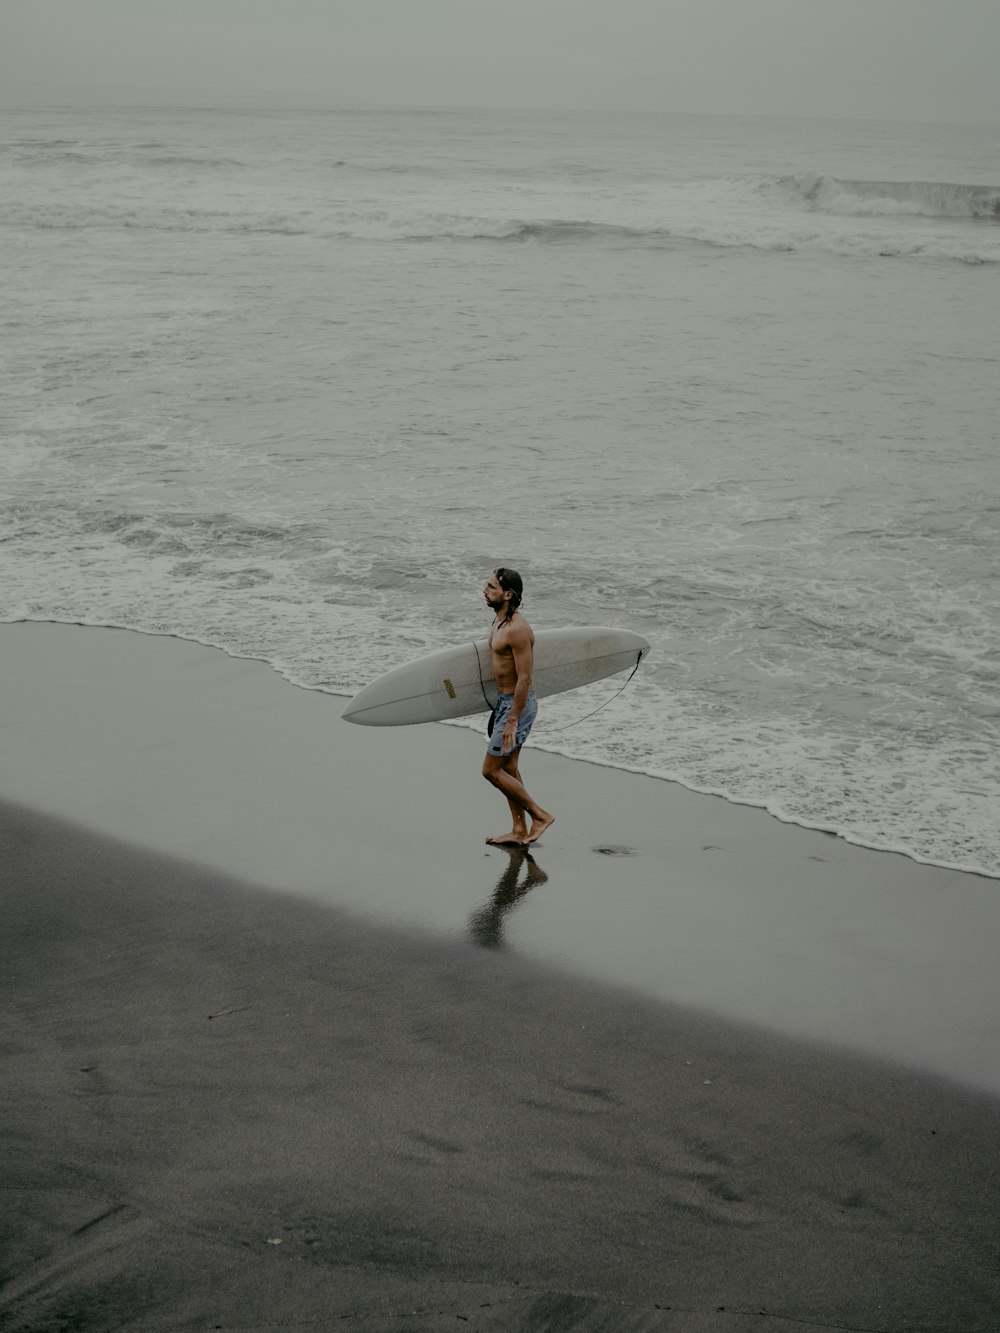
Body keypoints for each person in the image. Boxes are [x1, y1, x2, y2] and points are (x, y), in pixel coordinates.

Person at [481, 568, 554, 846]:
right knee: (509, 768)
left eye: (491, 586)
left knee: (490, 770)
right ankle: (518, 830)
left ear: (508, 594)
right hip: (504, 703)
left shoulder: (518, 629)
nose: (484, 589)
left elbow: (525, 677)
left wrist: (512, 719)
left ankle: (540, 815)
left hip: (517, 707)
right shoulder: (499, 622)